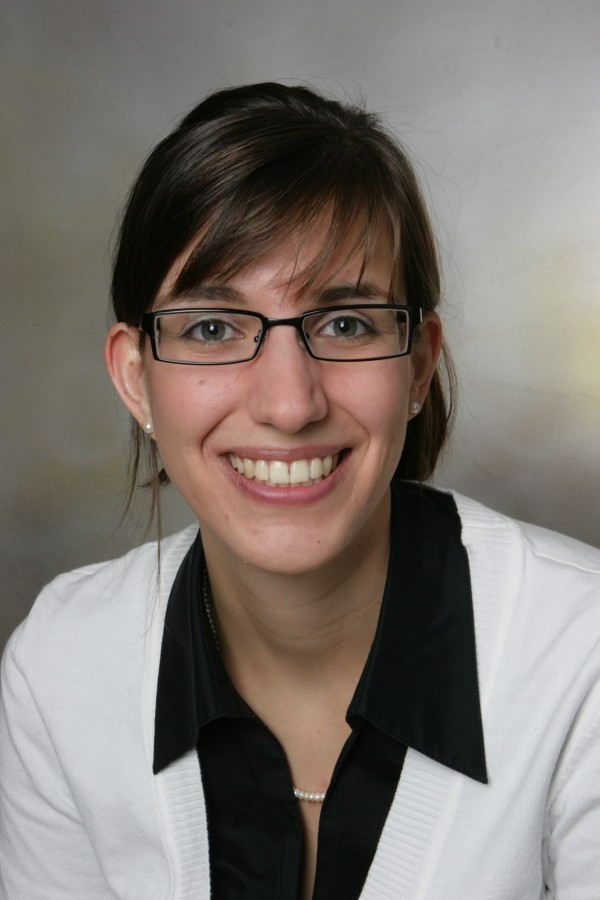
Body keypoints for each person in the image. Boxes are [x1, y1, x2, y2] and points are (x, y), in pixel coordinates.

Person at [0, 82, 599, 900]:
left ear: (418, 364)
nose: (289, 404)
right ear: (135, 380)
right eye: (213, 327)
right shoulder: (62, 668)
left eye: (346, 323)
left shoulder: (580, 659)